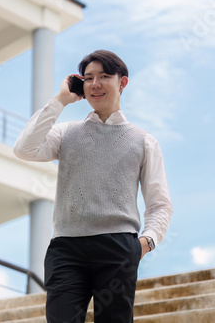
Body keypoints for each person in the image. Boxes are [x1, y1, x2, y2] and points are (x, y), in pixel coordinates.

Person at [14, 50, 173, 322]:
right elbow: (24, 149)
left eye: (103, 77)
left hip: (118, 249)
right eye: (88, 78)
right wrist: (60, 101)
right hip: (66, 249)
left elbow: (160, 205)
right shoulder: (66, 133)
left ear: (122, 83)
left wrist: (145, 243)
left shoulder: (143, 141)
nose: (95, 84)